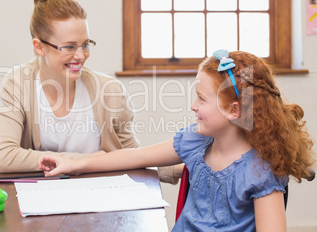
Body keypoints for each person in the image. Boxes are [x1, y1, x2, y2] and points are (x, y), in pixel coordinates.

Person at [38, 50, 315, 231]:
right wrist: (72, 163)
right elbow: (134, 157)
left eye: (202, 99)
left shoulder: (259, 171)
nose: (194, 106)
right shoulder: (196, 142)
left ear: (234, 110)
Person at [0, 0, 181, 183]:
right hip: (44, 197)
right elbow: (4, 156)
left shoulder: (109, 91)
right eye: (70, 47)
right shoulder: (19, 83)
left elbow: (132, 156)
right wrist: (87, 160)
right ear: (39, 47)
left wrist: (179, 169)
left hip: (103, 195)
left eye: (85, 45)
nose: (80, 56)